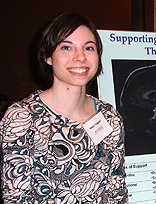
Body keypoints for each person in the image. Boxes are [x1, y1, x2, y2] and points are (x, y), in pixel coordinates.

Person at [0, 13, 128, 203]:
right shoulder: (21, 118)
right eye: (67, 47)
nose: (80, 57)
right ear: (48, 57)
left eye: (89, 48)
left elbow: (117, 189)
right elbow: (16, 198)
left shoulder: (109, 117)